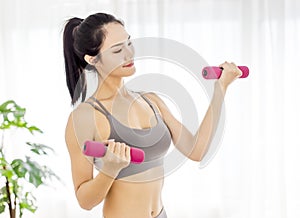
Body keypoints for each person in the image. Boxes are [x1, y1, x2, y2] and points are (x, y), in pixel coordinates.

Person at [63, 12, 242, 218]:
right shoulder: (85, 116)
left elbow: (196, 150)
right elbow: (85, 201)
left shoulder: (150, 100)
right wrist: (109, 170)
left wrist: (221, 88)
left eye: (129, 43)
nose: (129, 54)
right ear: (93, 59)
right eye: (118, 50)